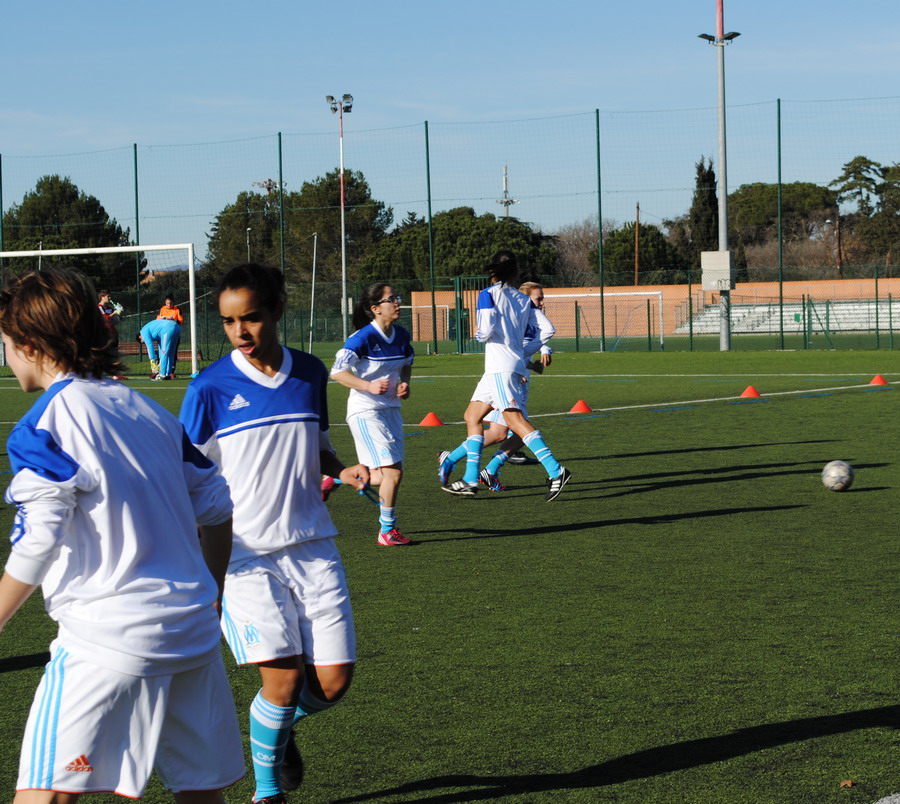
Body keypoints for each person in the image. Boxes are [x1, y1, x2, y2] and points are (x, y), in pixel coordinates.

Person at [0, 267, 243, 803]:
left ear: (31, 344)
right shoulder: (151, 413)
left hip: (105, 640)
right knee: (202, 795)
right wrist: (214, 591)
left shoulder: (45, 423)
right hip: (193, 635)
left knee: (46, 795)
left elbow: (38, 539)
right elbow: (218, 506)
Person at [179, 263, 368, 804]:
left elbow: (319, 448)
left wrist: (342, 469)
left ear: (278, 310)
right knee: (281, 682)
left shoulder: (309, 373)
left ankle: (277, 732)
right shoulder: (209, 387)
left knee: (332, 684)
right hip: (243, 556)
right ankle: (267, 793)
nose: (241, 331)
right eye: (229, 322)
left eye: (252, 318)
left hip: (312, 543)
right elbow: (184, 475)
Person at [440, 251, 570, 501]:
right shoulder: (523, 299)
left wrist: (479, 336)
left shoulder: (487, 294)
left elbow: (486, 330)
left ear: (493, 272)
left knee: (512, 420)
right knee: (472, 415)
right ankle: (469, 478)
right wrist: (523, 351)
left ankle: (556, 470)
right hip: (503, 367)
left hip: (500, 366)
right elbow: (548, 329)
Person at [328, 283, 414, 547]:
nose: (397, 303)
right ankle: (387, 530)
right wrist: (368, 386)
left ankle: (333, 478)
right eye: (391, 299)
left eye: (397, 298)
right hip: (365, 411)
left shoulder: (401, 335)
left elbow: (407, 363)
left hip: (390, 412)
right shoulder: (362, 338)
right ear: (375, 309)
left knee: (382, 475)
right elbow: (337, 372)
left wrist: (404, 384)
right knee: (393, 475)